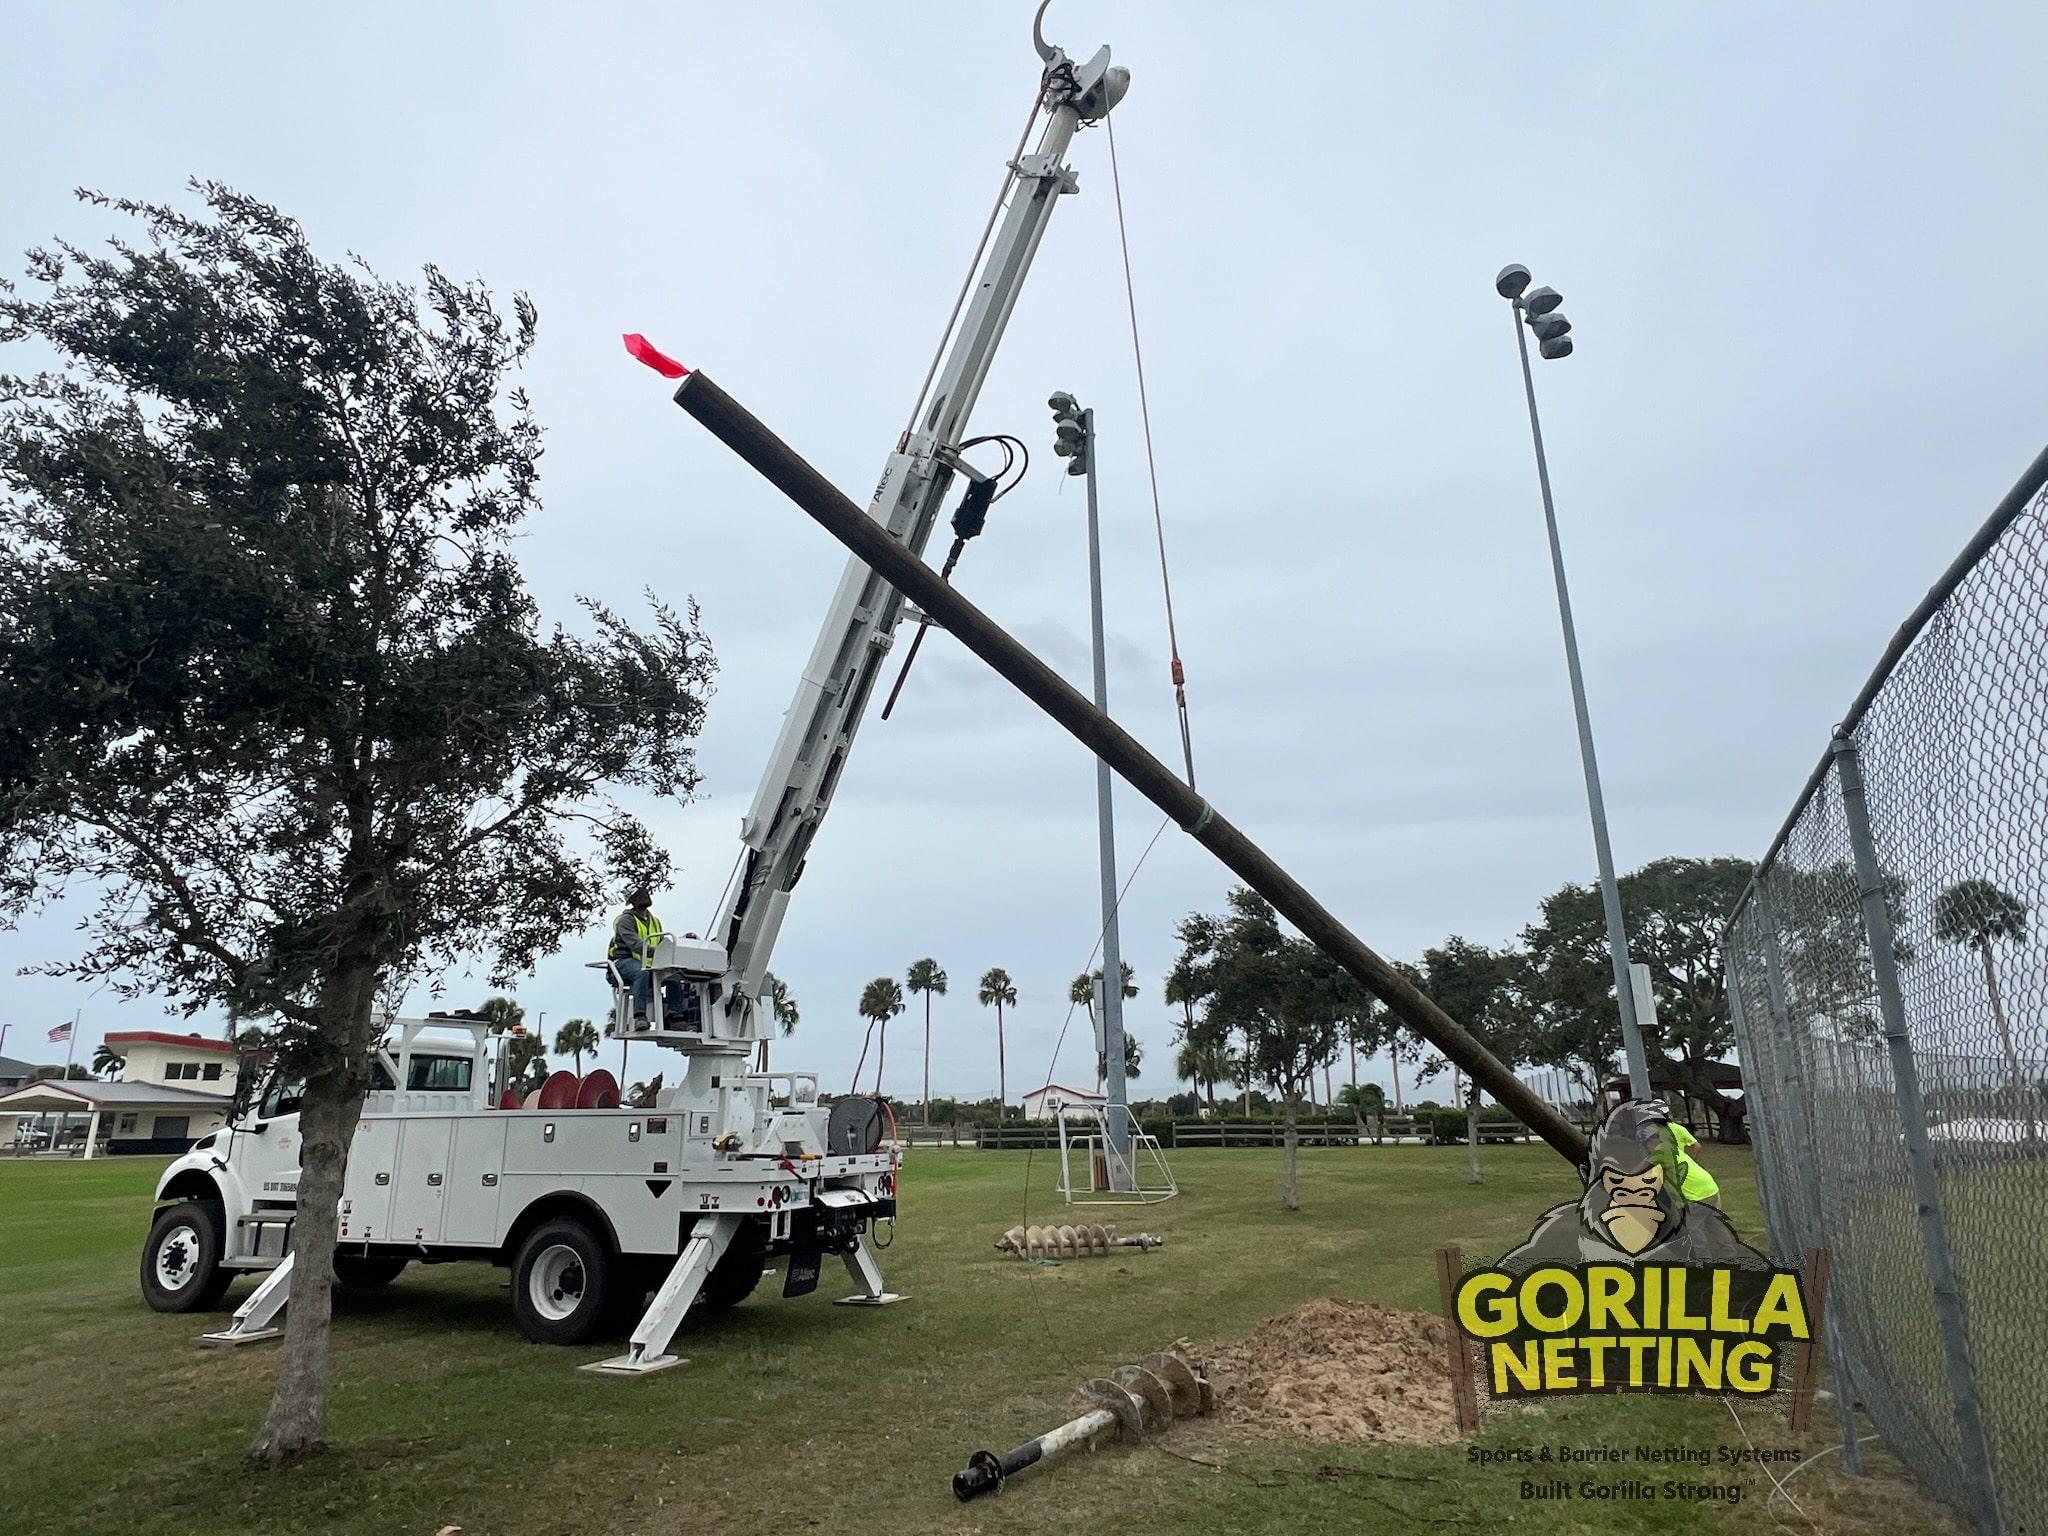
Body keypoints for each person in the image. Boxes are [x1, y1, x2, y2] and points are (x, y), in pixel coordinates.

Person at [609, 886, 689, 1029]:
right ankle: (640, 1016)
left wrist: (681, 944)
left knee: (674, 974)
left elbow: (663, 942)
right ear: (632, 901)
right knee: (641, 973)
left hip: (648, 962)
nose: (645, 895)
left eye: (645, 892)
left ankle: (675, 1015)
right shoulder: (625, 921)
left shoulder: (655, 921)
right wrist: (661, 953)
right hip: (624, 962)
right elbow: (636, 945)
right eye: (639, 894)